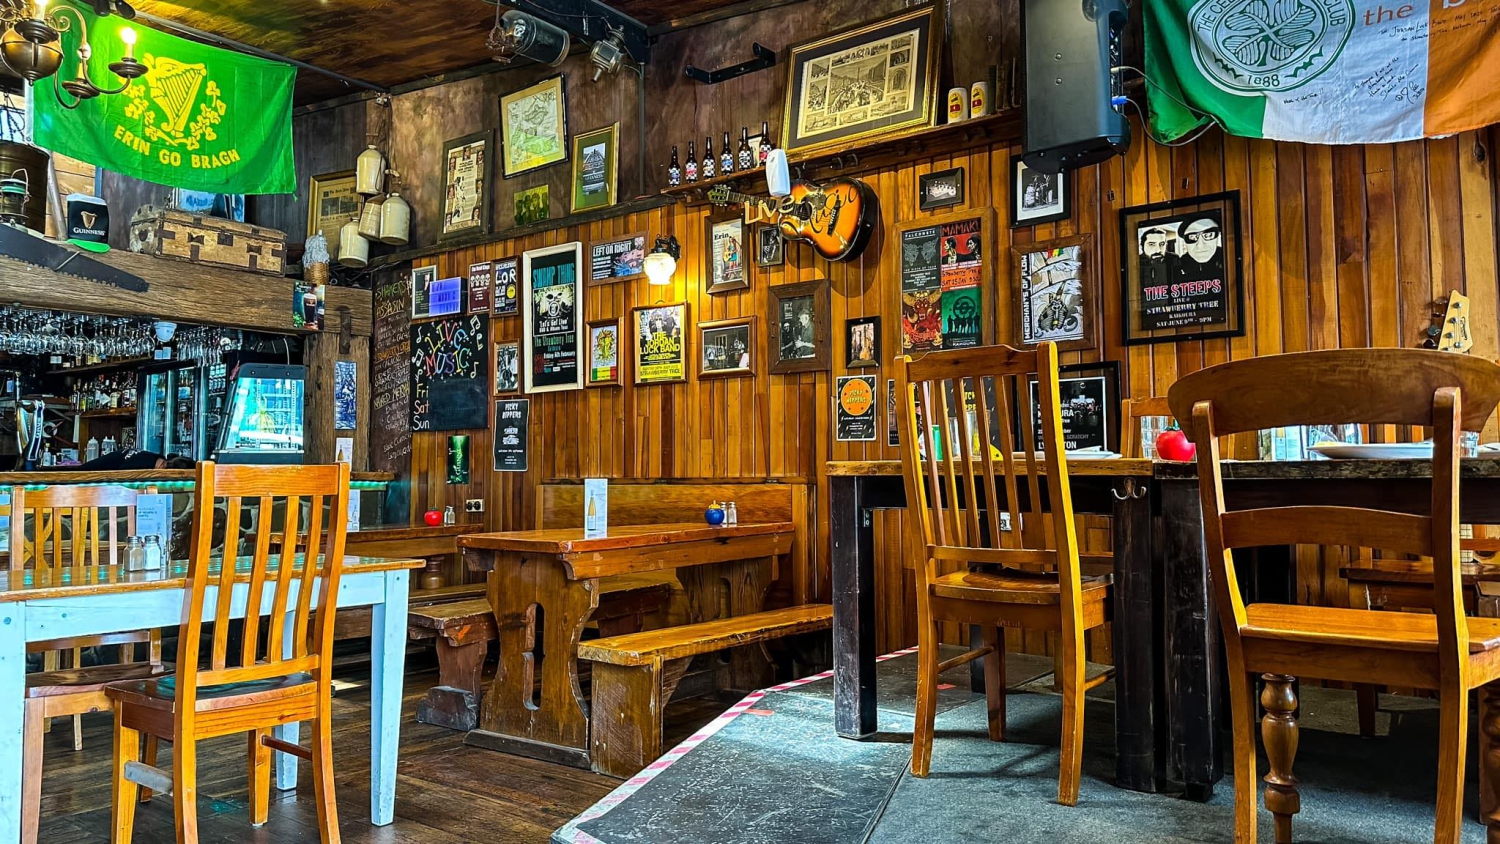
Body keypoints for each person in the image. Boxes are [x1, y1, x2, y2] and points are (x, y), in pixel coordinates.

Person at [74, 448, 194, 471]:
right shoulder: (144, 464)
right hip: (81, 480)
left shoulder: (152, 457)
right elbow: (122, 478)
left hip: (82, 473)